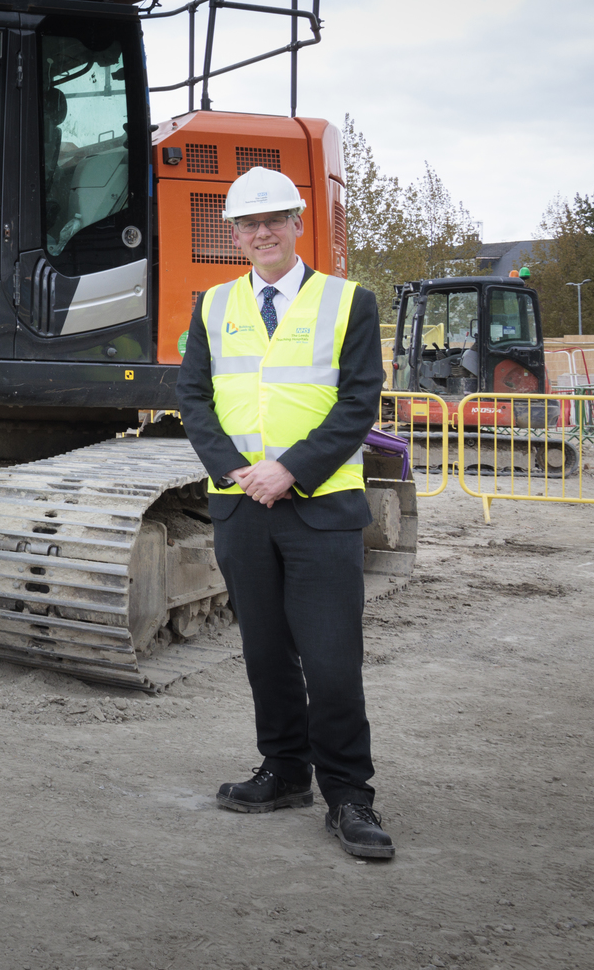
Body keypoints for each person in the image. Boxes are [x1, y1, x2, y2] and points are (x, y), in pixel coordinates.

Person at [176, 165, 393, 860]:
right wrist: (236, 471)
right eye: (249, 223)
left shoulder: (347, 302)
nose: (263, 232)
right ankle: (285, 771)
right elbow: (195, 399)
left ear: (299, 224)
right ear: (234, 234)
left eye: (275, 220)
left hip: (320, 508)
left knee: (331, 660)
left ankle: (350, 795)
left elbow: (359, 403)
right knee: (265, 654)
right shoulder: (212, 306)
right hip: (241, 506)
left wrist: (289, 470)